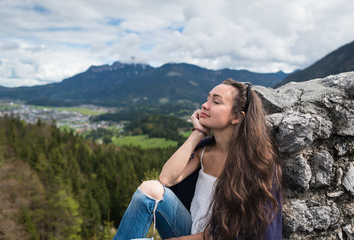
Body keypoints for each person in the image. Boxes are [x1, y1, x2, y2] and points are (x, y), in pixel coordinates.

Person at [113, 79, 282, 240]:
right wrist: (198, 132)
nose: (205, 105)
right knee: (149, 190)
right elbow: (167, 178)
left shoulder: (254, 166)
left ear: (237, 117)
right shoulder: (204, 150)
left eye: (216, 102)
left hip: (221, 236)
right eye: (207, 98)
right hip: (189, 229)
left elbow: (233, 232)